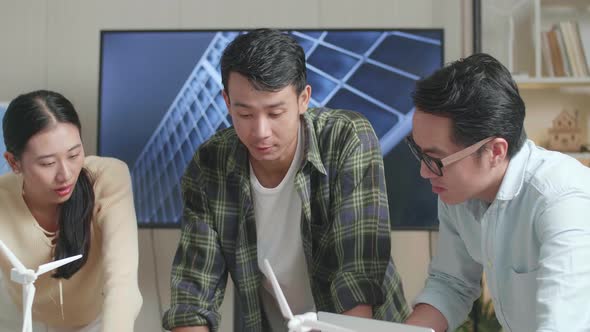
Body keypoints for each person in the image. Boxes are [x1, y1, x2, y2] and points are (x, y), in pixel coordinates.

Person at [162, 28, 409, 332]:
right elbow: (193, 294)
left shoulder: (347, 138)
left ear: (303, 99)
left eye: (275, 112)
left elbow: (355, 275)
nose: (261, 131)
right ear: (226, 102)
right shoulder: (210, 164)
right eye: (245, 115)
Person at [404, 53, 590, 331]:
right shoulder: (457, 192)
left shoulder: (560, 198)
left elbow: (563, 322)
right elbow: (451, 284)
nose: (424, 172)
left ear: (495, 151)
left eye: (435, 159)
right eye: (419, 153)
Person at [0, 90, 142, 332]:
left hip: (101, 321)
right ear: (14, 162)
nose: (65, 174)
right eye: (47, 163)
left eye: (74, 154)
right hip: (31, 322)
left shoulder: (107, 178)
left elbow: (122, 283)